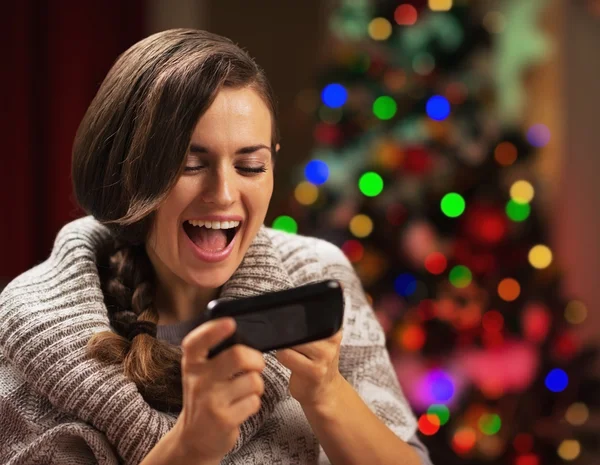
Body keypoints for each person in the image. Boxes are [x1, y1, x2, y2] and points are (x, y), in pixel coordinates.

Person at [0, 29, 432, 465]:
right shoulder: (31, 324)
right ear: (127, 172)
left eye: (251, 165)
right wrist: (191, 445)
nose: (224, 193)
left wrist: (328, 393)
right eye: (190, 164)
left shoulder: (316, 274)